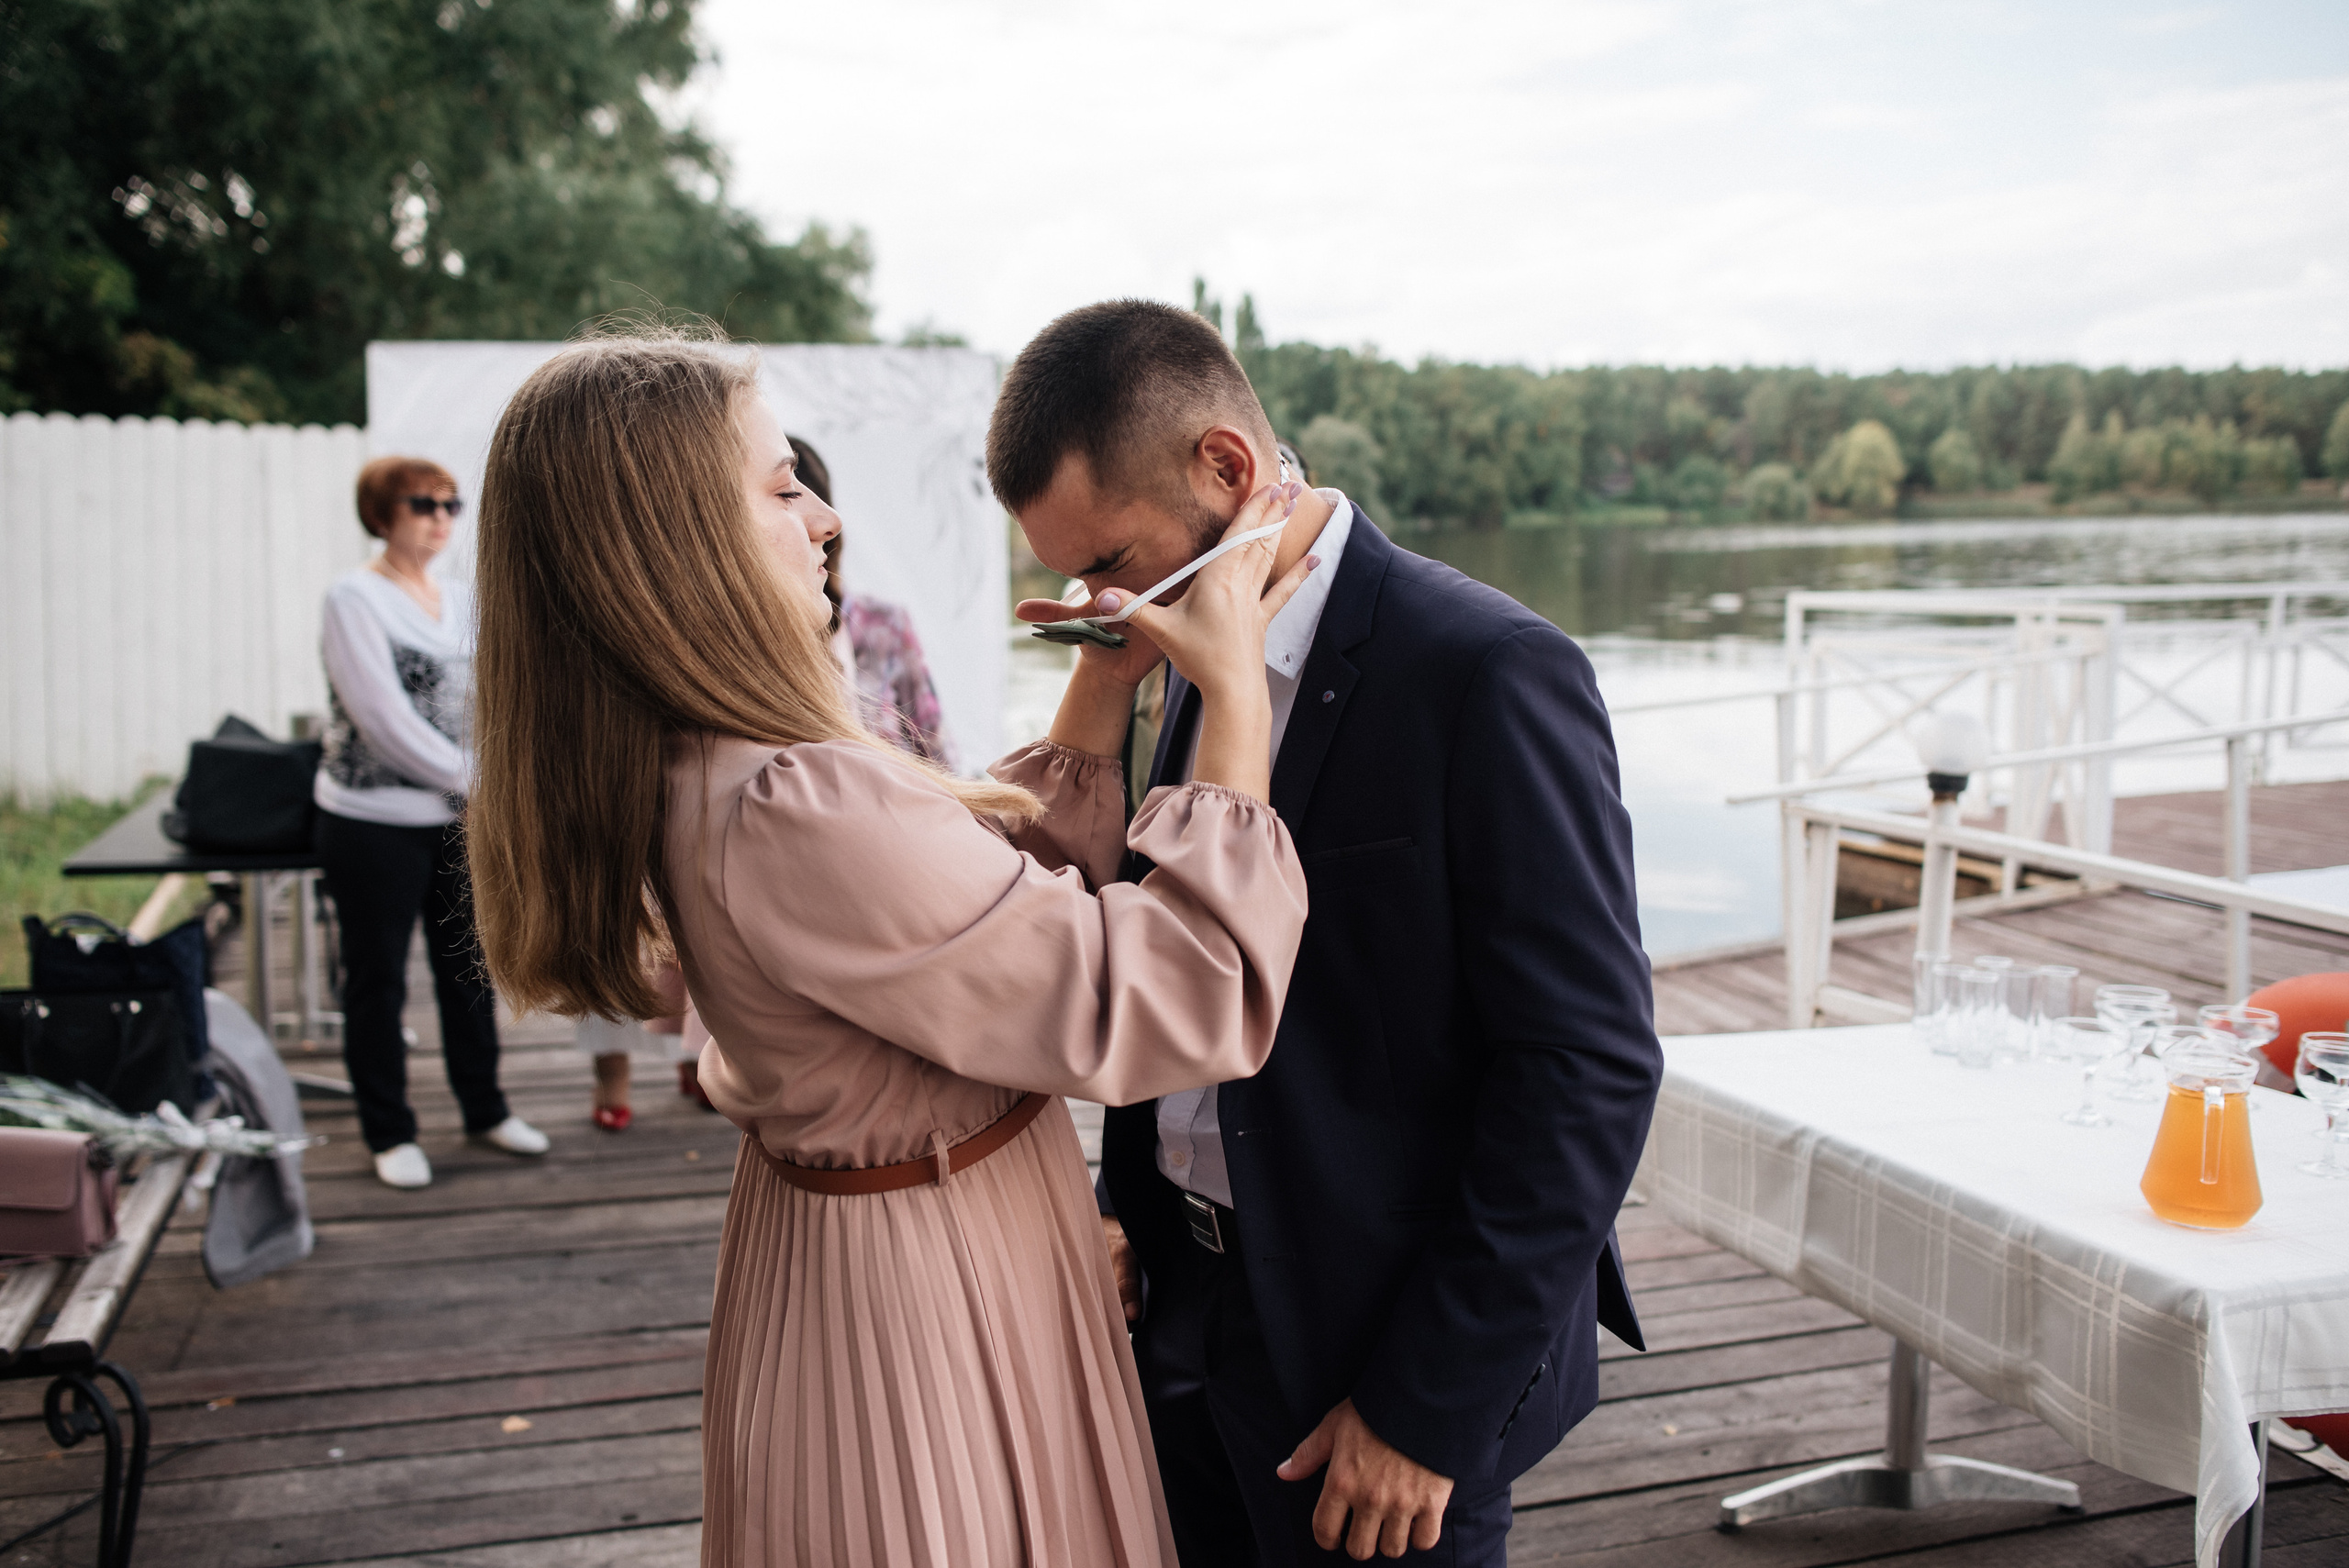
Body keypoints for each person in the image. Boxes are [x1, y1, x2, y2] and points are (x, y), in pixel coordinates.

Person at [464, 334, 1319, 1568]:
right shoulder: (791, 803)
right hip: (930, 1281)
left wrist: (1102, 676)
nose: (823, 516)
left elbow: (977, 926)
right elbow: (1172, 1000)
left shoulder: (702, 762)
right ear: (672, 542)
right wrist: (1235, 702)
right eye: (778, 486)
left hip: (860, 1252)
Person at [992, 300, 1664, 1566]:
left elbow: (1589, 1069)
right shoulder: (1187, 652)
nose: (1099, 603)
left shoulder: (1490, 669)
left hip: (1382, 1349)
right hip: (1180, 1310)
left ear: (1228, 471)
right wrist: (1126, 1197)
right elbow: (1177, 949)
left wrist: (1429, 1404)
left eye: (1113, 562)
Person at [315, 456, 548, 1191]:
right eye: (422, 503)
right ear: (382, 514)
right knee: (377, 978)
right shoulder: (353, 598)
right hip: (373, 820)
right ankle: (390, 1130)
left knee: (468, 970)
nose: (441, 517)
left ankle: (484, 1108)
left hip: (457, 818)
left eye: (451, 503)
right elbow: (381, 719)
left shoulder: (458, 599)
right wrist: (480, 783)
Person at [794, 433, 959, 767]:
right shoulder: (744, 650)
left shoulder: (884, 624)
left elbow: (940, 758)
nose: (828, 524)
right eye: (782, 496)